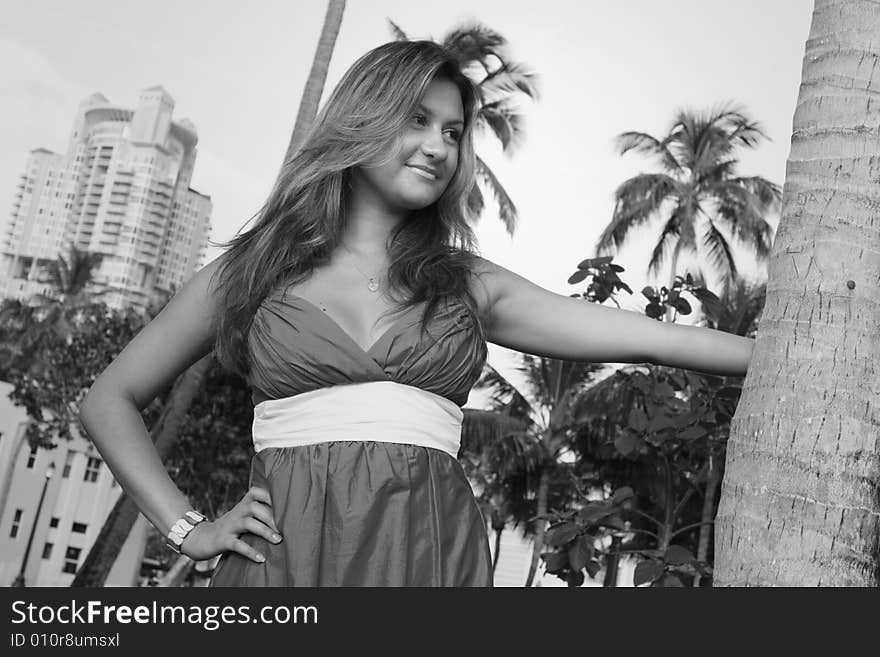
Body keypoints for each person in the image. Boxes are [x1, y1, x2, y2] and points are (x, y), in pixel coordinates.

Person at [79, 40, 754, 587]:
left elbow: (655, 340)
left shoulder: (468, 284)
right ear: (361, 120)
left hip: (430, 562)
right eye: (417, 120)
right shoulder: (254, 270)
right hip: (280, 567)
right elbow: (109, 397)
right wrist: (188, 528)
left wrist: (780, 359)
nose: (439, 145)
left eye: (454, 132)